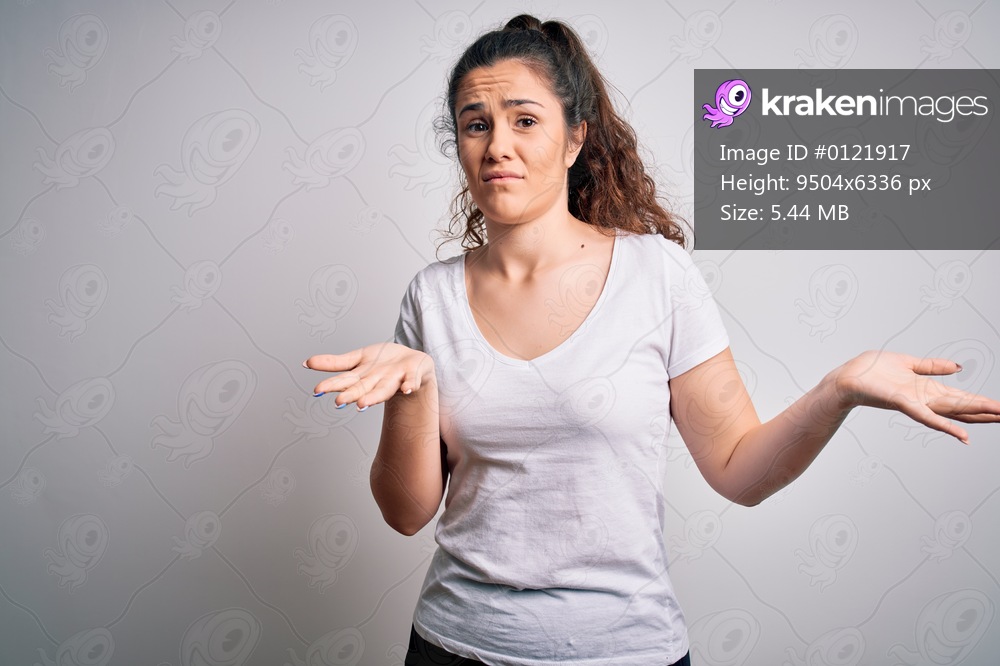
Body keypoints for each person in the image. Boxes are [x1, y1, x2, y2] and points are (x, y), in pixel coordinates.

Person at [303, 15, 1000, 666]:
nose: (497, 146)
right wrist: (414, 390)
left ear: (575, 139)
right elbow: (406, 515)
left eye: (525, 120)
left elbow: (739, 471)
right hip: (454, 646)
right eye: (475, 124)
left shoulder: (656, 275)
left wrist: (838, 389)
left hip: (625, 651)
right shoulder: (431, 297)